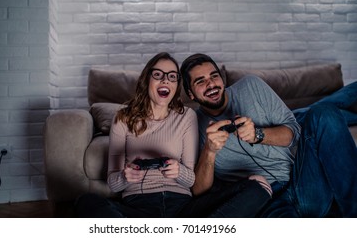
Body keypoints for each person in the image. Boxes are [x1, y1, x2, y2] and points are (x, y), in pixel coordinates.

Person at [75, 52, 271, 218]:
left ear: (177, 86)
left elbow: (191, 181)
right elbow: (113, 183)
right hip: (137, 208)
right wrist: (126, 176)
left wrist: (179, 171)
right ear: (147, 80)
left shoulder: (187, 117)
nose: (165, 80)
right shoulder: (123, 118)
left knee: (259, 186)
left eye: (172, 77)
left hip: (183, 208)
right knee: (85, 202)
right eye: (158, 75)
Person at [180, 53, 357, 218]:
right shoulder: (192, 124)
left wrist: (258, 134)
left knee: (324, 113)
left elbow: (294, 133)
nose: (211, 84)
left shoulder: (251, 86)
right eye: (200, 81)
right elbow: (199, 191)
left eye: (214, 76)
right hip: (266, 200)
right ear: (190, 94)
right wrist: (209, 152)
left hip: (302, 179)